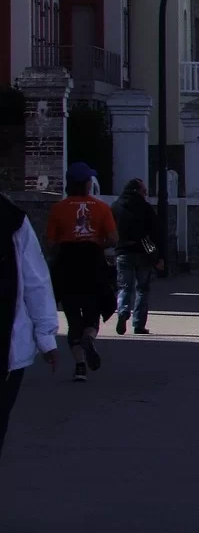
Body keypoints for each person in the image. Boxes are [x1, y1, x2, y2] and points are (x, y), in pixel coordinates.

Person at [0, 192, 59, 465]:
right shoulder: (11, 218)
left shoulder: (12, 220)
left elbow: (35, 280)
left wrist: (46, 335)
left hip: (10, 347)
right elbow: (36, 280)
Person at [47, 163, 117, 382]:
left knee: (72, 316)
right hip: (92, 263)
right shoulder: (101, 208)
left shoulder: (58, 208)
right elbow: (114, 239)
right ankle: (90, 336)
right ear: (88, 184)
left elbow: (50, 243)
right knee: (92, 311)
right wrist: (97, 244)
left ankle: (79, 367)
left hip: (67, 264)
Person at [111, 177, 160, 334]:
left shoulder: (116, 207)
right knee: (142, 289)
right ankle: (138, 323)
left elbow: (111, 230)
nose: (145, 194)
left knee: (124, 286)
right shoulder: (145, 208)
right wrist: (158, 256)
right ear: (137, 191)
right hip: (143, 253)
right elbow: (155, 232)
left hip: (123, 252)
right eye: (144, 191)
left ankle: (123, 311)